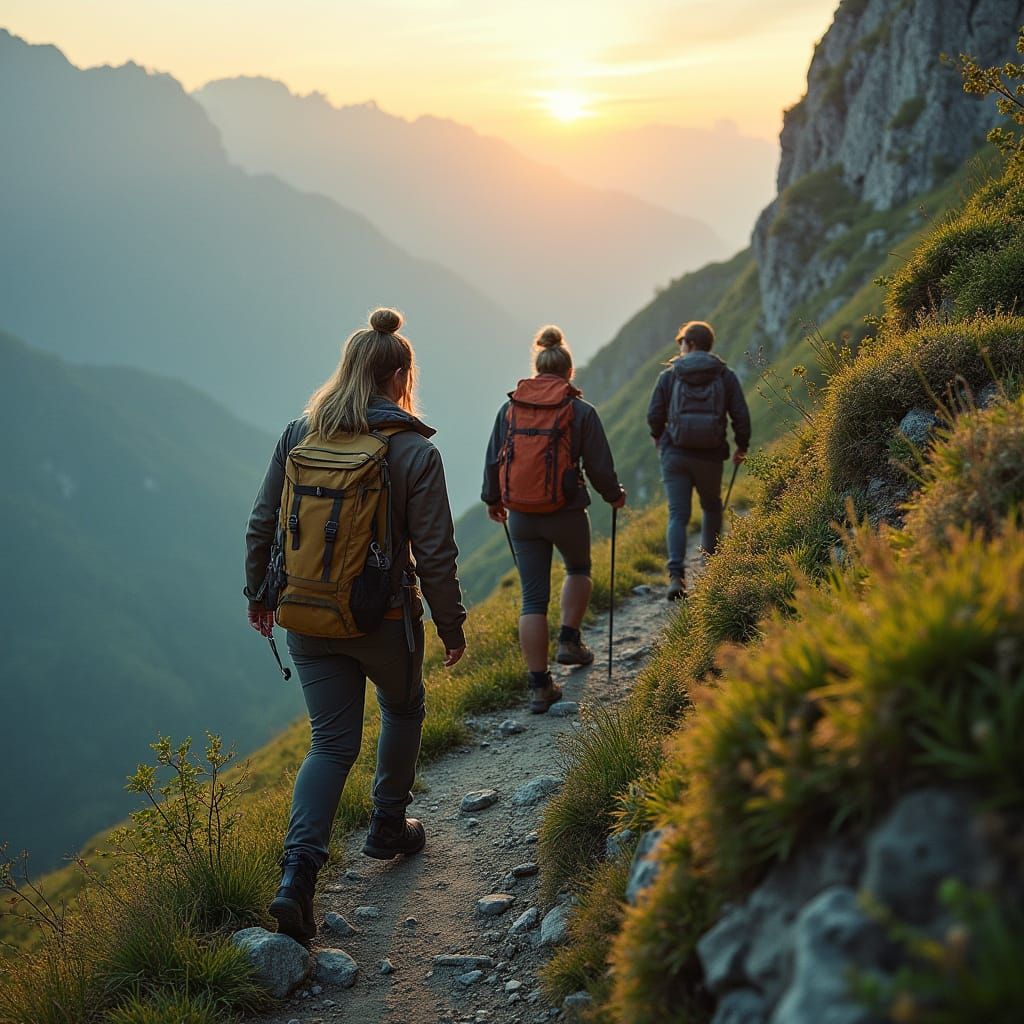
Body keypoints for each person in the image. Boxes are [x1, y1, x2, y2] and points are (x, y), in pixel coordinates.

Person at [244, 307, 467, 942]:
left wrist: (259, 594)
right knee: (401, 708)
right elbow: (437, 554)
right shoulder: (415, 451)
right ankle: (388, 826)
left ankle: (296, 880)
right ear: (399, 376)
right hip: (383, 618)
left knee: (330, 744)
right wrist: (451, 627)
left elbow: (262, 523)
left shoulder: (298, 434)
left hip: (305, 616)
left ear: (347, 370)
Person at [482, 326, 626, 713]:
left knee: (532, 598)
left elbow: (495, 457)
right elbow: (599, 467)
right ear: (568, 371)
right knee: (578, 567)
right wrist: (614, 496)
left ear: (537, 367)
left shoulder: (509, 408)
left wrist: (492, 500)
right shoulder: (580, 411)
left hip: (522, 517)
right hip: (566, 512)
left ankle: (539, 686)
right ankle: (569, 641)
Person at [647, 319, 751, 601]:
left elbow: (654, 414)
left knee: (678, 514)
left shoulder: (670, 376)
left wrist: (658, 436)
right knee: (711, 506)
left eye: (681, 342)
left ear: (689, 344)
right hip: (710, 454)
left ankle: (676, 576)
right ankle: (712, 566)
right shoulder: (724, 375)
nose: (679, 347)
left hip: (675, 454)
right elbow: (740, 414)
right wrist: (742, 446)